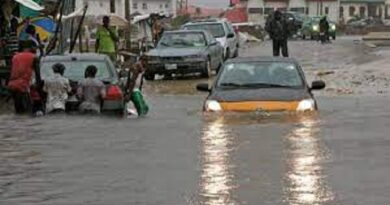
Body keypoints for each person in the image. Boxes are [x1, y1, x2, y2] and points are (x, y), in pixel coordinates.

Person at [7, 40, 39, 114]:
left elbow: (13, 72)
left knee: (18, 111)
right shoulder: (34, 57)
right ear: (29, 47)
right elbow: (38, 77)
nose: (35, 50)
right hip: (23, 87)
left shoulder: (15, 57)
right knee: (27, 112)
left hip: (12, 86)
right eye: (35, 47)